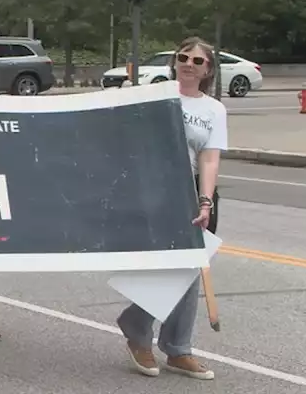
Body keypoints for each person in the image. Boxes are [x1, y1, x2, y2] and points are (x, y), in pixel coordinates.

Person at [117, 37, 223, 381]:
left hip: (194, 192)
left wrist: (205, 200)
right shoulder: (155, 97)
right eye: (183, 57)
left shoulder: (213, 109)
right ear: (175, 62)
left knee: (190, 269)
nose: (189, 64)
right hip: (154, 188)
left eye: (198, 60)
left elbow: (209, 157)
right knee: (162, 266)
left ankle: (175, 348)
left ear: (208, 70)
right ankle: (142, 331)